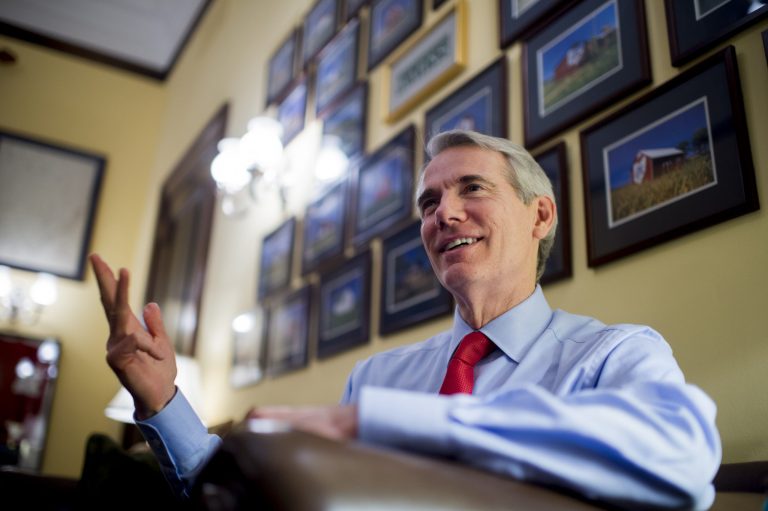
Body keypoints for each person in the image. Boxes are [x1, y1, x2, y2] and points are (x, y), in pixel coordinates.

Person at [92, 130, 721, 509]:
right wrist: (163, 400)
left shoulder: (613, 354)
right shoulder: (377, 376)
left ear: (541, 216)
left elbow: (684, 453)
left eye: (472, 189)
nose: (443, 214)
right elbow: (249, 500)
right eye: (428, 201)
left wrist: (382, 425)